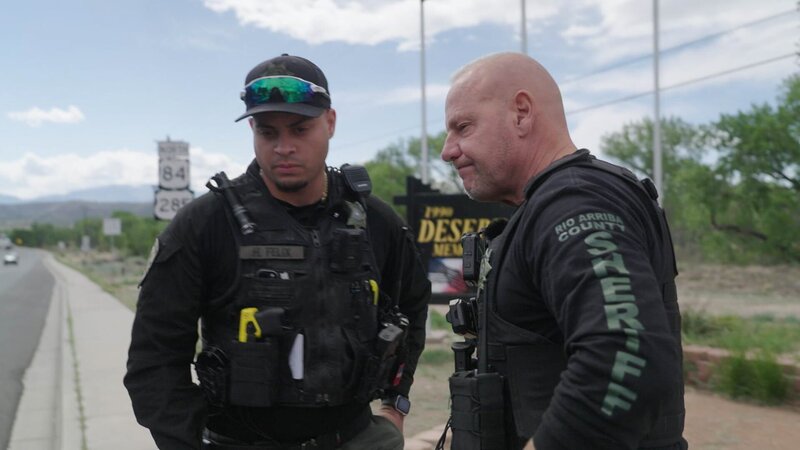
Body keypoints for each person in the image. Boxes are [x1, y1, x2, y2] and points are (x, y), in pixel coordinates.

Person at [124, 54, 431, 450]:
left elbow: (412, 307)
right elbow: (154, 361)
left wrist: (395, 403)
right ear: (252, 129)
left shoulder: (374, 221)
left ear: (330, 122)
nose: (284, 147)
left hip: (356, 436)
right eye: (268, 133)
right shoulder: (205, 224)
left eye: (301, 129)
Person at [440, 52, 687, 449]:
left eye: (463, 127)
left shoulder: (573, 201)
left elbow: (629, 359)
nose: (448, 150)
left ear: (522, 113)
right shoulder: (555, 204)